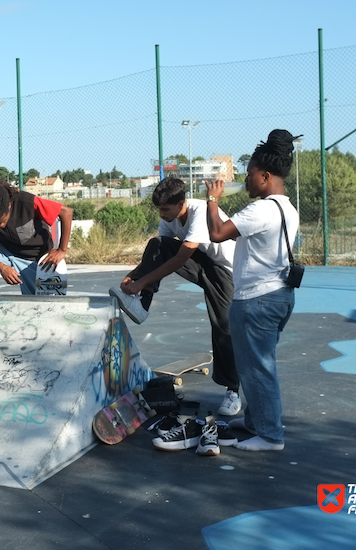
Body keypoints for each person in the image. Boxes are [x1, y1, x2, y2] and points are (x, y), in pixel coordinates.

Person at [109, 176, 242, 418]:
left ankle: (233, 391)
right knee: (157, 244)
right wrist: (133, 276)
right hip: (205, 263)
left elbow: (179, 260)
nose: (161, 214)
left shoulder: (199, 212)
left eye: (165, 209)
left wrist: (140, 281)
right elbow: (160, 253)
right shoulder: (170, 219)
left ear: (181, 203)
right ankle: (142, 305)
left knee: (223, 326)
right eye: (159, 209)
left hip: (227, 271)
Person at [204, 129, 300, 452]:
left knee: (259, 368)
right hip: (279, 296)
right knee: (255, 365)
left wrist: (212, 199)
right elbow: (239, 237)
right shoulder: (288, 209)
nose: (245, 181)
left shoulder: (261, 210)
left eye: (249, 175)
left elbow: (217, 233)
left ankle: (270, 435)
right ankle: (255, 421)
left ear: (265, 175)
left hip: (256, 300)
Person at [0, 180, 73, 295]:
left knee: (40, 305)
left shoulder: (28, 202)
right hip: (2, 248)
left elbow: (66, 212)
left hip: (33, 255)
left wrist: (62, 250)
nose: (1, 226)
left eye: (3, 221)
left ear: (9, 204)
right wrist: (1, 267)